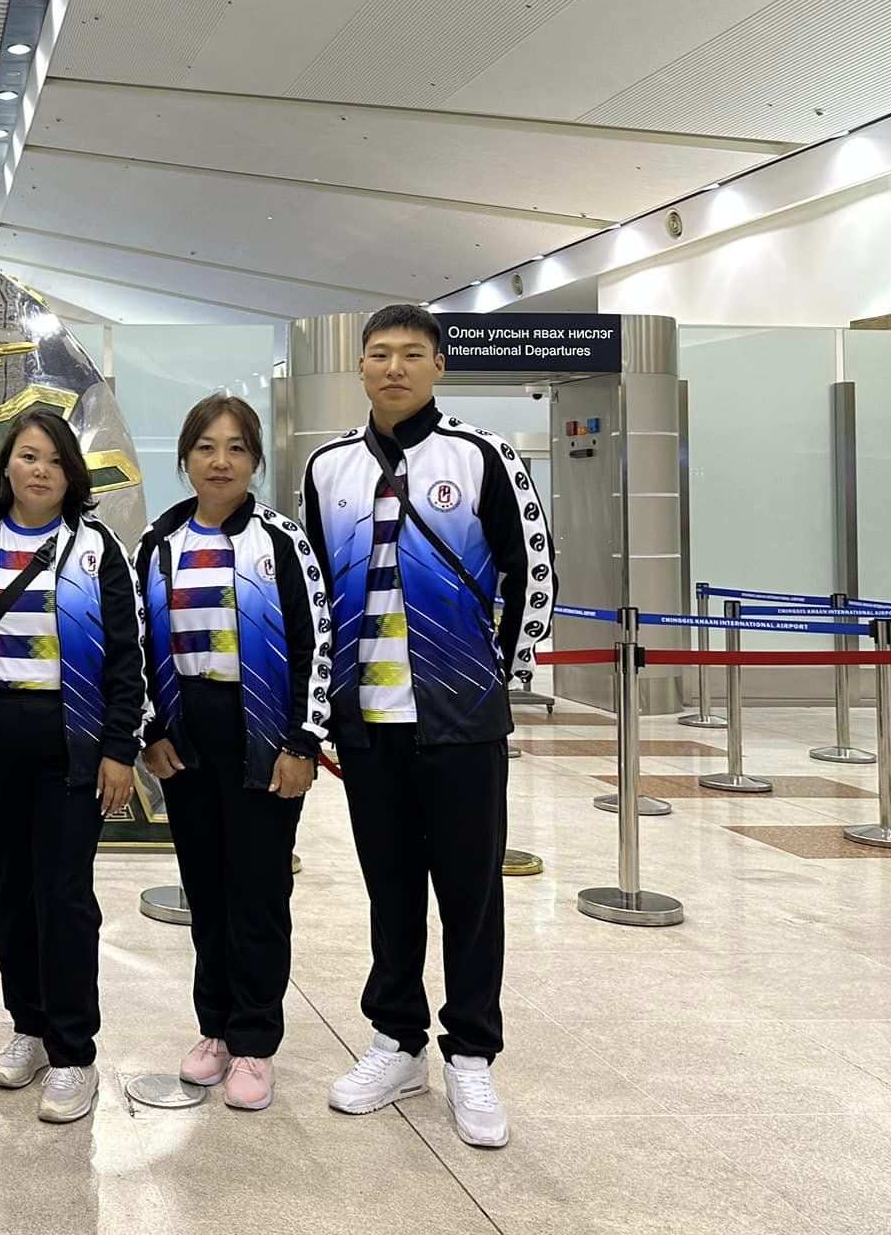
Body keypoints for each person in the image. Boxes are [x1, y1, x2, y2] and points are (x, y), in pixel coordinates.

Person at [301, 303, 554, 1150]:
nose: (395, 368)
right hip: (368, 722)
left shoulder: (481, 456)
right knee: (391, 888)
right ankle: (396, 1040)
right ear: (361, 367)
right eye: (380, 354)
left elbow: (531, 573)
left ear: (439, 366)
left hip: (460, 721)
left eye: (412, 354)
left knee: (471, 893)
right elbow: (314, 594)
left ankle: (471, 1053)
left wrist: (497, 684)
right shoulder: (328, 467)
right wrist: (324, 706)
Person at [137, 395, 329, 1112]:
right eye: (206, 447)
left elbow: (316, 644)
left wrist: (303, 741)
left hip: (263, 737)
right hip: (187, 741)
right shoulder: (158, 543)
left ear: (255, 461)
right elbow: (139, 647)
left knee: (258, 892)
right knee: (207, 889)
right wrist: (151, 734)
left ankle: (254, 1040)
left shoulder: (281, 541)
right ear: (185, 458)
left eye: (237, 448)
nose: (220, 462)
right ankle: (213, 1028)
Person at [0, 408, 147, 1125]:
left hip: (69, 738)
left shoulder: (96, 548)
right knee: (9, 888)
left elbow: (126, 657)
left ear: (73, 476)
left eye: (56, 461)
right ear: (6, 463)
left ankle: (74, 1053)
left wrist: (119, 749)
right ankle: (29, 1028)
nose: (40, 471)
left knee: (63, 894)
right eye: (29, 456)